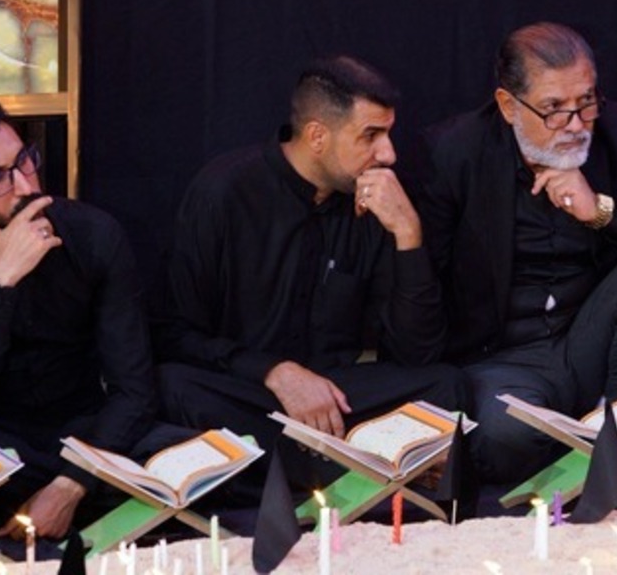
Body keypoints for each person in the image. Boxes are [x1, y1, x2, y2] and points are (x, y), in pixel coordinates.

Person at [416, 21, 617, 483]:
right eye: (554, 109)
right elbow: (425, 280)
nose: (576, 126)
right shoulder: (456, 152)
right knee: (504, 439)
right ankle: (576, 442)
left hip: (591, 343)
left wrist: (602, 212)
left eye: (586, 103)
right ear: (508, 105)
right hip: (503, 359)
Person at [155, 56, 470, 491]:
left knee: (447, 385)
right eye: (371, 136)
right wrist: (274, 371)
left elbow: (418, 352)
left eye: (388, 134)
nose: (389, 154)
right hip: (249, 390)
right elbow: (173, 333)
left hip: (339, 399)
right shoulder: (224, 192)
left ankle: (281, 476)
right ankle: (356, 472)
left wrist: (407, 232)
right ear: (318, 136)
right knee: (174, 386)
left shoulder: (378, 200)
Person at [0, 98, 187, 540]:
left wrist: (71, 484)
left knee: (179, 455)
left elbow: (133, 388)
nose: (25, 184)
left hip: (85, 436)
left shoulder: (94, 233)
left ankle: (48, 505)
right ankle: (81, 506)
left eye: (24, 161)